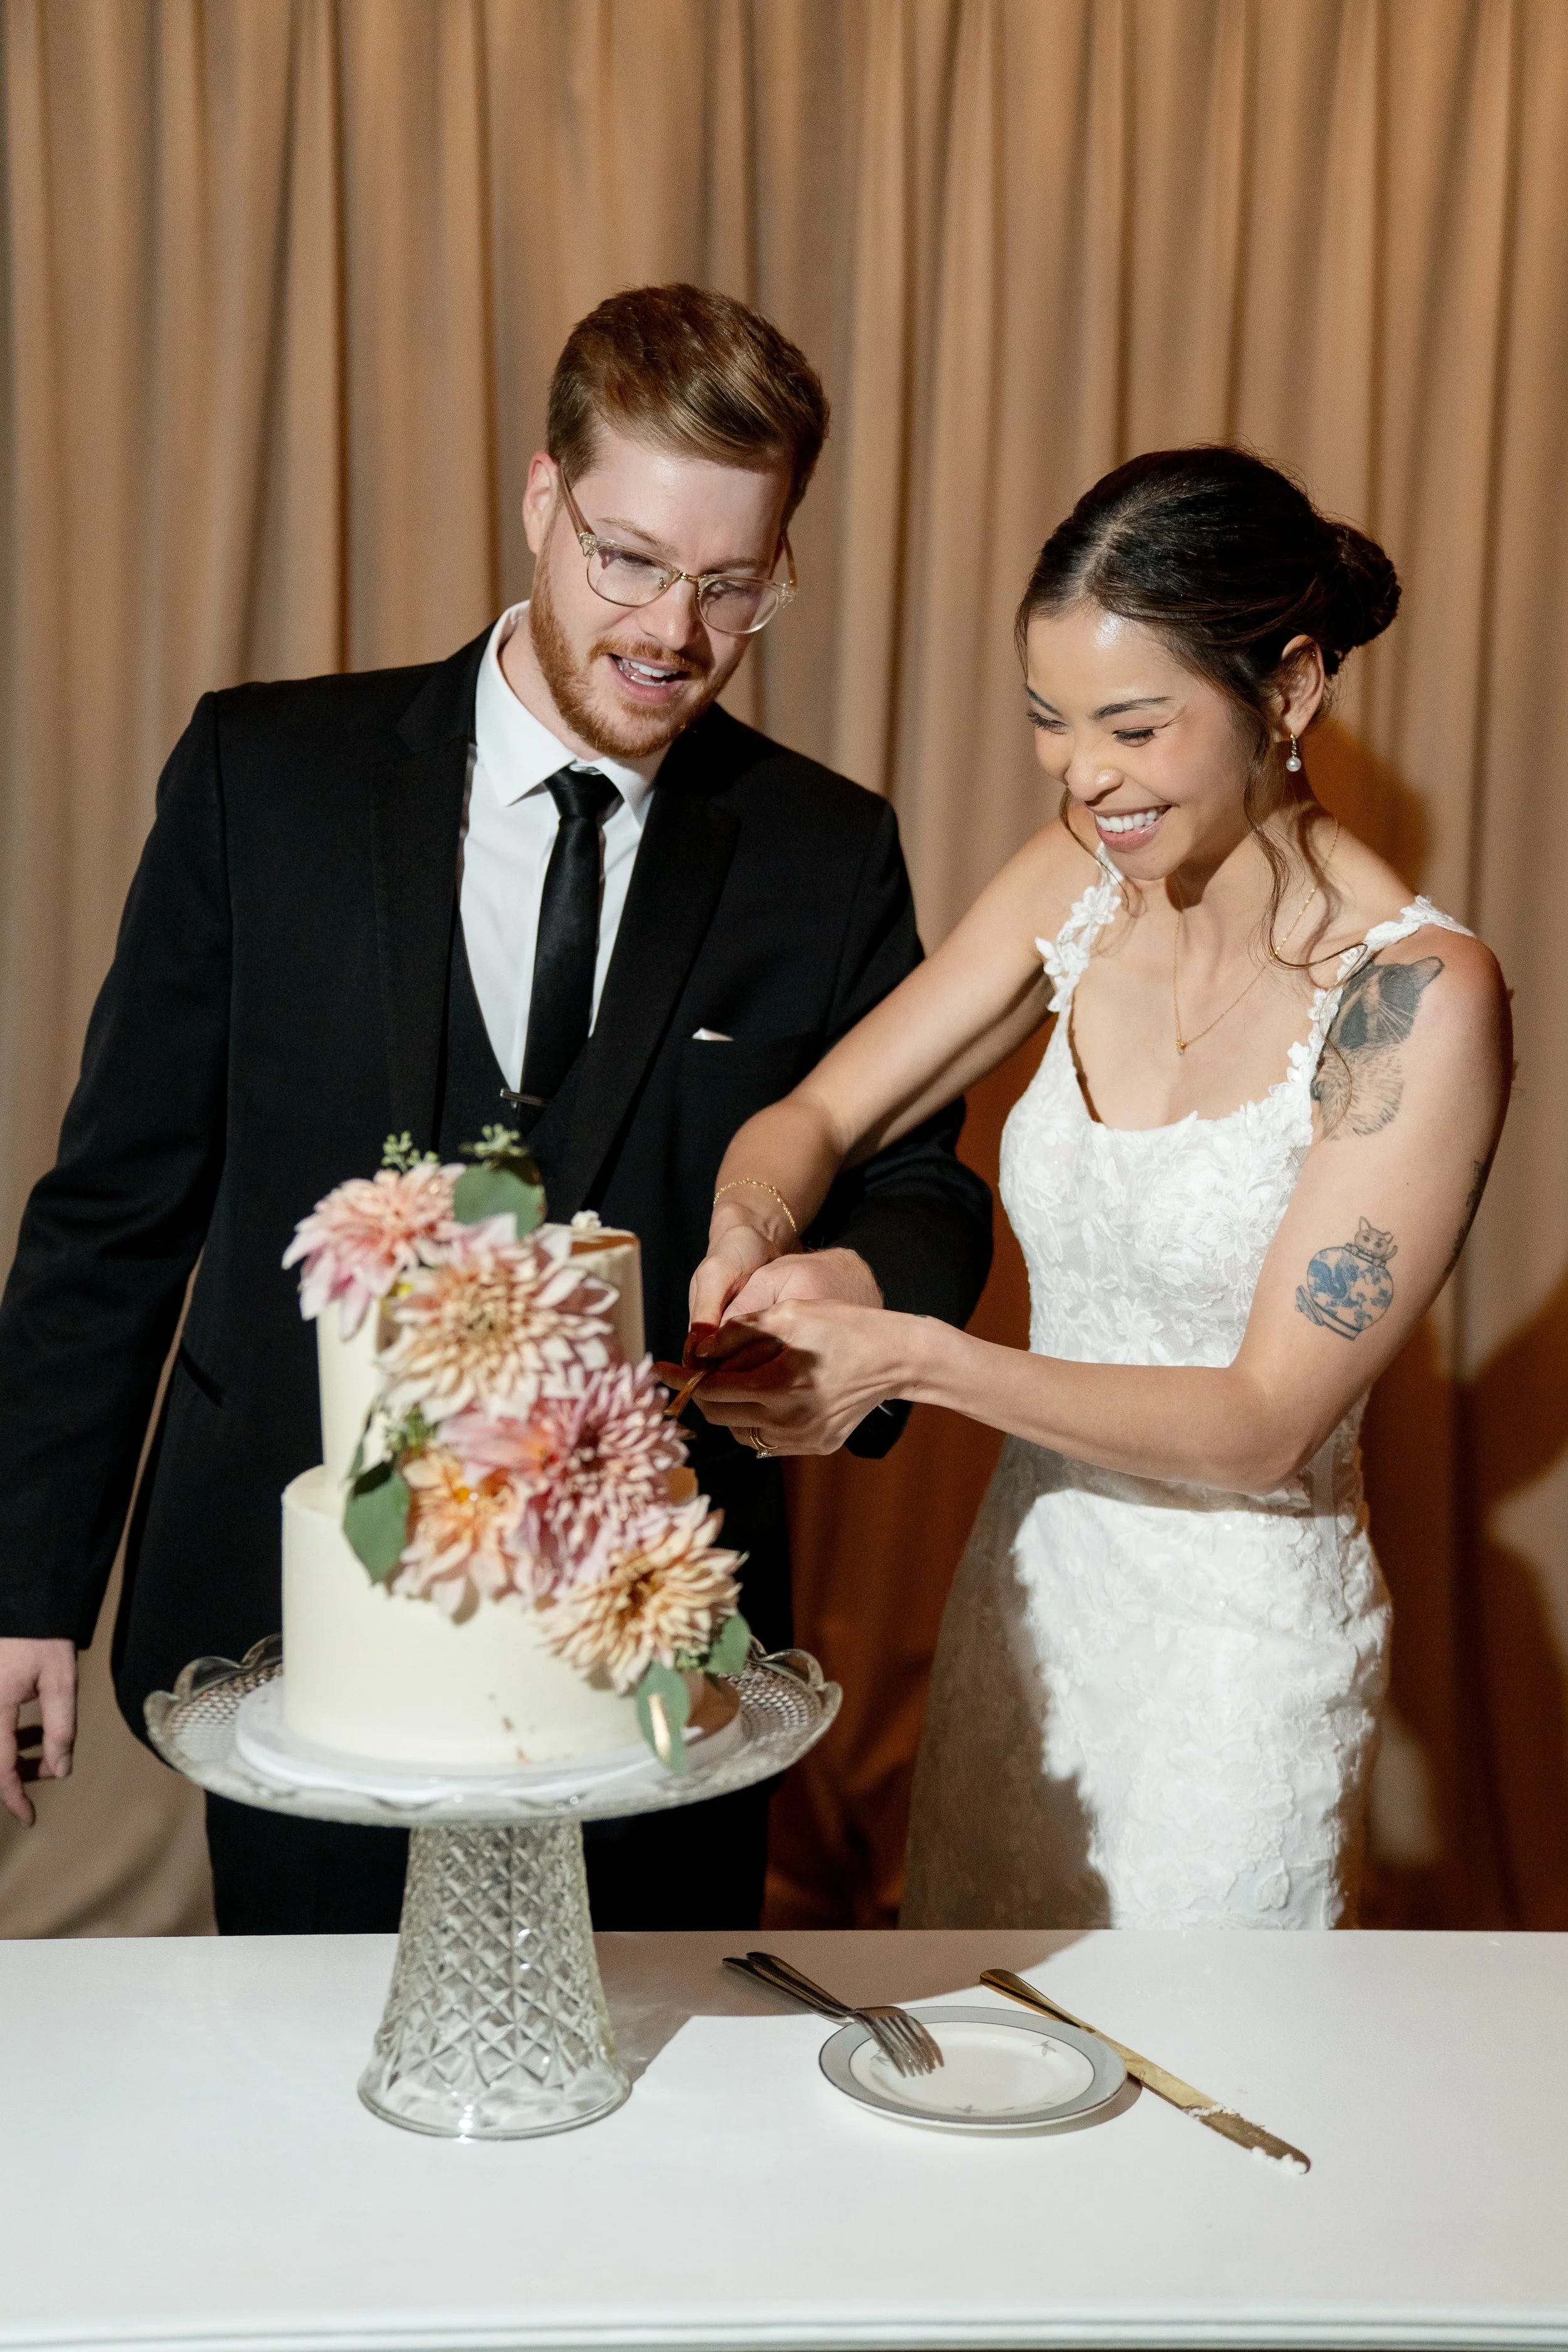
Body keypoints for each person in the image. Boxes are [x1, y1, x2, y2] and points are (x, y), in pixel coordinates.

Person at [0, 283, 992, 1932]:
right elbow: (118, 1199)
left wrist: (857, 1286)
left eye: (732, 581)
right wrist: (21, 1578)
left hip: (648, 1642)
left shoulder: (823, 852)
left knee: (641, 2136)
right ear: (540, 497)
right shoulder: (269, 777)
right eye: (625, 555)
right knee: (315, 2095)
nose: (671, 629)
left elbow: (923, 1190)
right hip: (300, 1618)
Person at [686, 446, 1512, 1929]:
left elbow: (1263, 1426)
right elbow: (813, 1112)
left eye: (1133, 727)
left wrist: (915, 1362)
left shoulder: (1417, 998)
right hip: (1027, 1617)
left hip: (1231, 1674)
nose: (1082, 776)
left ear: (1290, 688)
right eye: (1048, 723)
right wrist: (751, 1235)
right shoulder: (1078, 874)